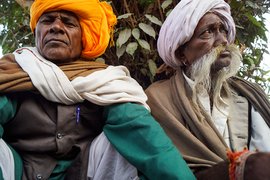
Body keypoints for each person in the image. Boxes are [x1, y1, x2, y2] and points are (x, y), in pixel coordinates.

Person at [0, 0, 196, 179]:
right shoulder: (15, 72)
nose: (56, 27)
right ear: (36, 32)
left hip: (84, 173)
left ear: (84, 37)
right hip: (19, 173)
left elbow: (141, 133)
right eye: (47, 21)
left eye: (68, 23)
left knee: (117, 144)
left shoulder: (105, 81)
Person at [145, 0, 270, 179]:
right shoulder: (158, 99)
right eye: (208, 32)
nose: (223, 40)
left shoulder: (247, 96)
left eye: (223, 30)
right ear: (182, 54)